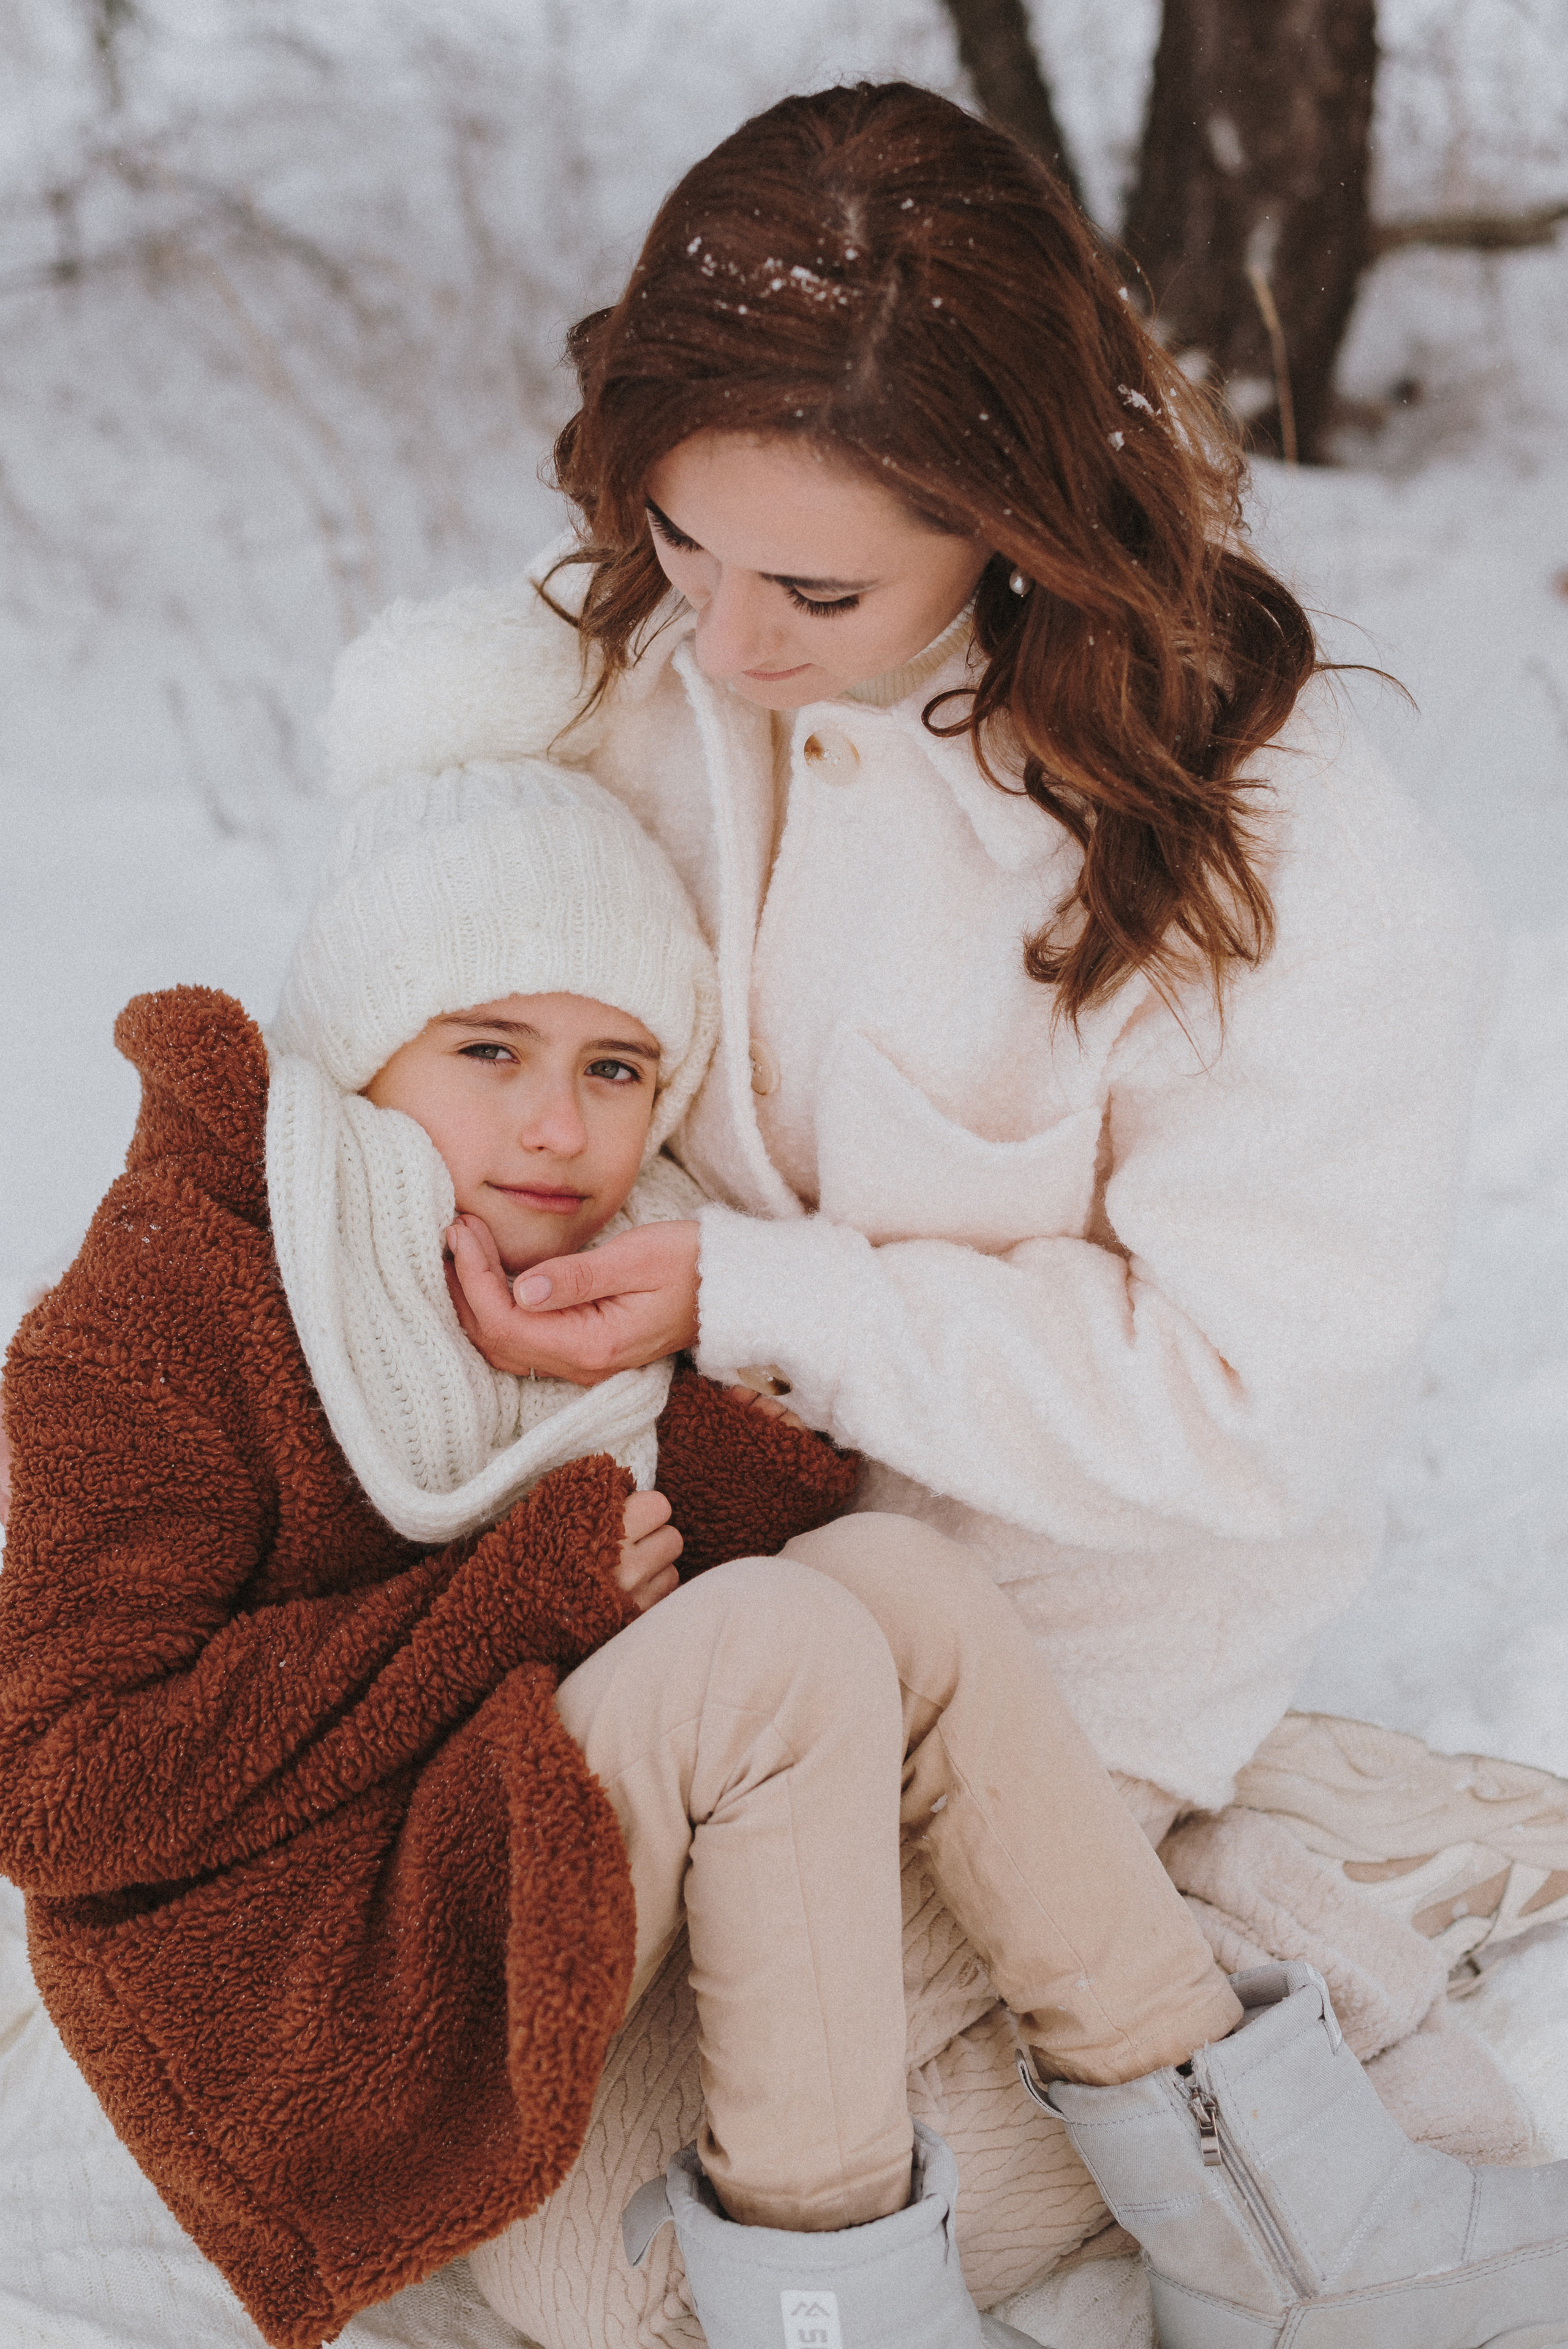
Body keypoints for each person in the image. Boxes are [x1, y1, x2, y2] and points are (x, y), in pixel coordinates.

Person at [310, 80, 1568, 2349]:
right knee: (362, 2130)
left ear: (1018, 518)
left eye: (814, 591)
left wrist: (763, 1293)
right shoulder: (645, 663)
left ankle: (1302, 1886)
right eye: (681, 552)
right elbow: (454, 995)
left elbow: (1242, 1405)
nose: (723, 643)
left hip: (1049, 1691)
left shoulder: (1282, 860)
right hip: (668, 1622)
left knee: (595, 2278)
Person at [0, 755, 1242, 2349]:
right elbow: (56, 1782)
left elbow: (675, 1663)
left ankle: (1249, 2176)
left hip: (528, 1970)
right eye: (491, 1046)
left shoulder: (579, 1253)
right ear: (366, 1041)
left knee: (896, 1592)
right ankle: (840, 2318)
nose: (558, 1122)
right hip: (314, 2037)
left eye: (617, 1066)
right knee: (778, 1643)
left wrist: (653, 1402)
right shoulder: (182, 1289)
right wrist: (503, 1595)